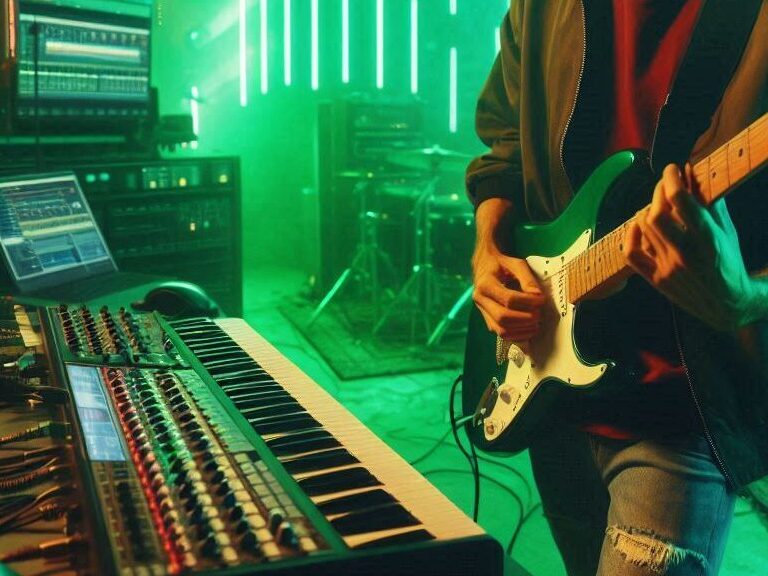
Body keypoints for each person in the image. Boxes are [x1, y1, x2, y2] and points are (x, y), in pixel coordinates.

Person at [466, 1, 768, 575]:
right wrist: (487, 254)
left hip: (683, 406)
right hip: (553, 389)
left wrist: (747, 298)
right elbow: (502, 149)